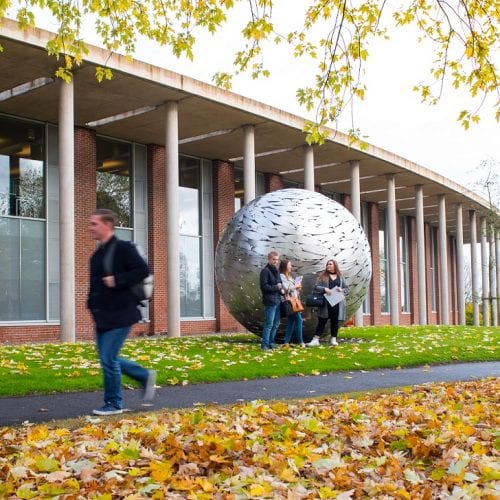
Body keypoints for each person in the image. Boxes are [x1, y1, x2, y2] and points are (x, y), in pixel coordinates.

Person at [87, 208, 156, 415]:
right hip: (103, 315)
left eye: (94, 223)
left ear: (107, 225)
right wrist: (91, 305)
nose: (90, 227)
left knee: (108, 359)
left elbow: (143, 270)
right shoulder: (97, 255)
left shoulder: (123, 248)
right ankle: (144, 376)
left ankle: (114, 403)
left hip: (122, 313)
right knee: (108, 358)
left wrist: (117, 280)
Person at [306, 259, 348, 347]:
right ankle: (315, 340)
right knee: (322, 320)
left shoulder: (340, 277)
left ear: (334, 266)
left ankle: (333, 339)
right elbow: (316, 286)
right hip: (325, 302)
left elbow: (346, 289)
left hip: (337, 302)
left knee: (335, 321)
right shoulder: (323, 276)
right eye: (327, 264)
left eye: (330, 264)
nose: (328, 266)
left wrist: (342, 290)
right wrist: (325, 289)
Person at [259, 250, 285, 350]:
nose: (276, 261)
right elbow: (264, 287)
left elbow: (279, 283)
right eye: (274, 259)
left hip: (278, 300)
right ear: (269, 259)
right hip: (270, 301)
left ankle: (271, 343)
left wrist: (281, 289)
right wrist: (276, 287)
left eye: (277, 260)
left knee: (276, 324)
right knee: (269, 324)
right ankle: (264, 345)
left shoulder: (276, 270)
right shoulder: (265, 271)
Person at [279, 259, 306, 347]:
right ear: (285, 266)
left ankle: (286, 342)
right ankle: (301, 342)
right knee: (299, 320)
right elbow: (286, 288)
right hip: (289, 301)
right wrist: (295, 286)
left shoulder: (290, 277)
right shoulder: (282, 276)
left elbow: (294, 290)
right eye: (290, 265)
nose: (291, 266)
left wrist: (298, 289)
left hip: (295, 300)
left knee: (291, 322)